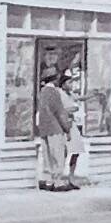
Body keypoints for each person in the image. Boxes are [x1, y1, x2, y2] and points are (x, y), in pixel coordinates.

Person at [34, 63, 75, 193]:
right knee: (58, 155)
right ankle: (57, 181)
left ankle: (48, 180)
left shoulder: (42, 92)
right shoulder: (54, 93)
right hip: (55, 127)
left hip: (44, 128)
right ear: (54, 78)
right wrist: (67, 128)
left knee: (47, 156)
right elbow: (60, 113)